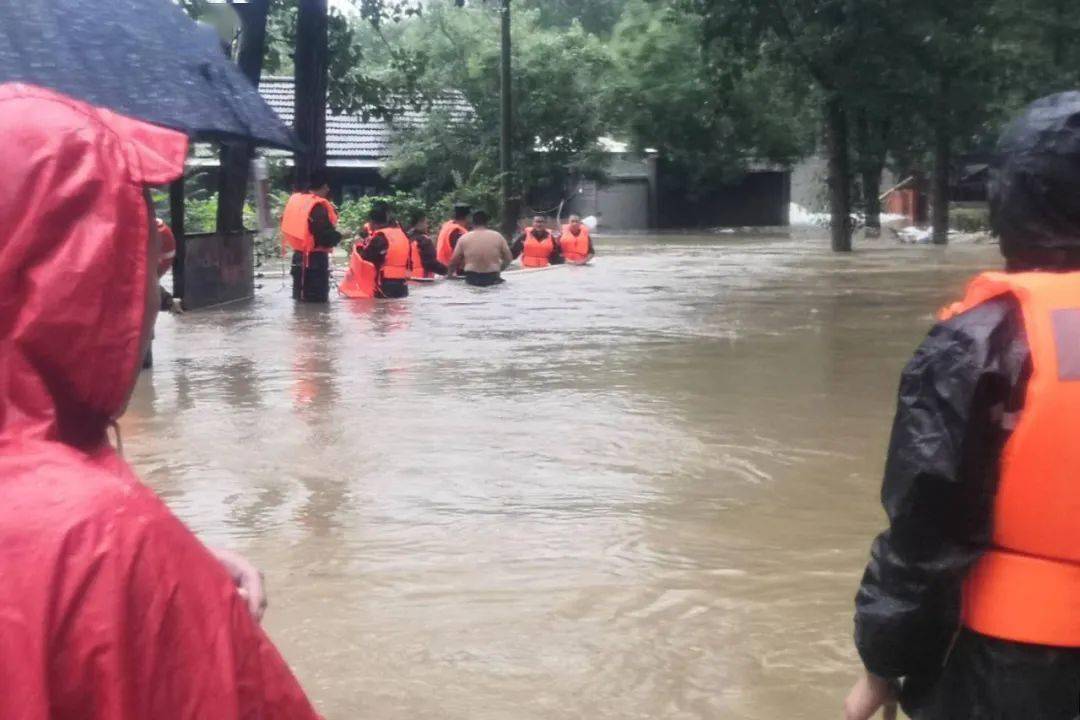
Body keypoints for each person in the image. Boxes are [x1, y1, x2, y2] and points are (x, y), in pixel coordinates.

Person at [0, 83, 319, 719]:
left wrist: (178, 565)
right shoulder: (105, 540)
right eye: (145, 263)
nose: (153, 295)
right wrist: (163, 579)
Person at [845, 91, 1080, 720]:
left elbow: (925, 522)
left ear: (1012, 199)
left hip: (1013, 667)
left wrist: (884, 662)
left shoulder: (981, 342)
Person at [280, 170, 342, 303]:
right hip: (315, 261)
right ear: (323, 186)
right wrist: (340, 235)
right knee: (317, 302)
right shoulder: (317, 207)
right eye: (327, 186)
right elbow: (325, 237)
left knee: (300, 299)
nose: (328, 189)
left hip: (298, 257)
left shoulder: (296, 201)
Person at [341, 206, 412, 299]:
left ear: (372, 222)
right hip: (402, 286)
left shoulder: (379, 237)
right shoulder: (402, 235)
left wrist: (358, 246)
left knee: (380, 307)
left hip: (384, 286)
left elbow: (366, 259)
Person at [446, 210, 513, 287]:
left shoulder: (464, 238)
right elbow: (509, 258)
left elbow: (453, 261)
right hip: (493, 277)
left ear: (472, 223)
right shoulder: (498, 236)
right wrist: (500, 269)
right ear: (487, 223)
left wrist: (449, 275)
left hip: (472, 279)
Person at [406, 212, 448, 280]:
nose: (427, 226)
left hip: (408, 278)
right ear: (420, 222)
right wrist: (447, 271)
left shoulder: (405, 238)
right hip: (423, 279)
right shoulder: (423, 240)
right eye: (426, 223)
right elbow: (431, 263)